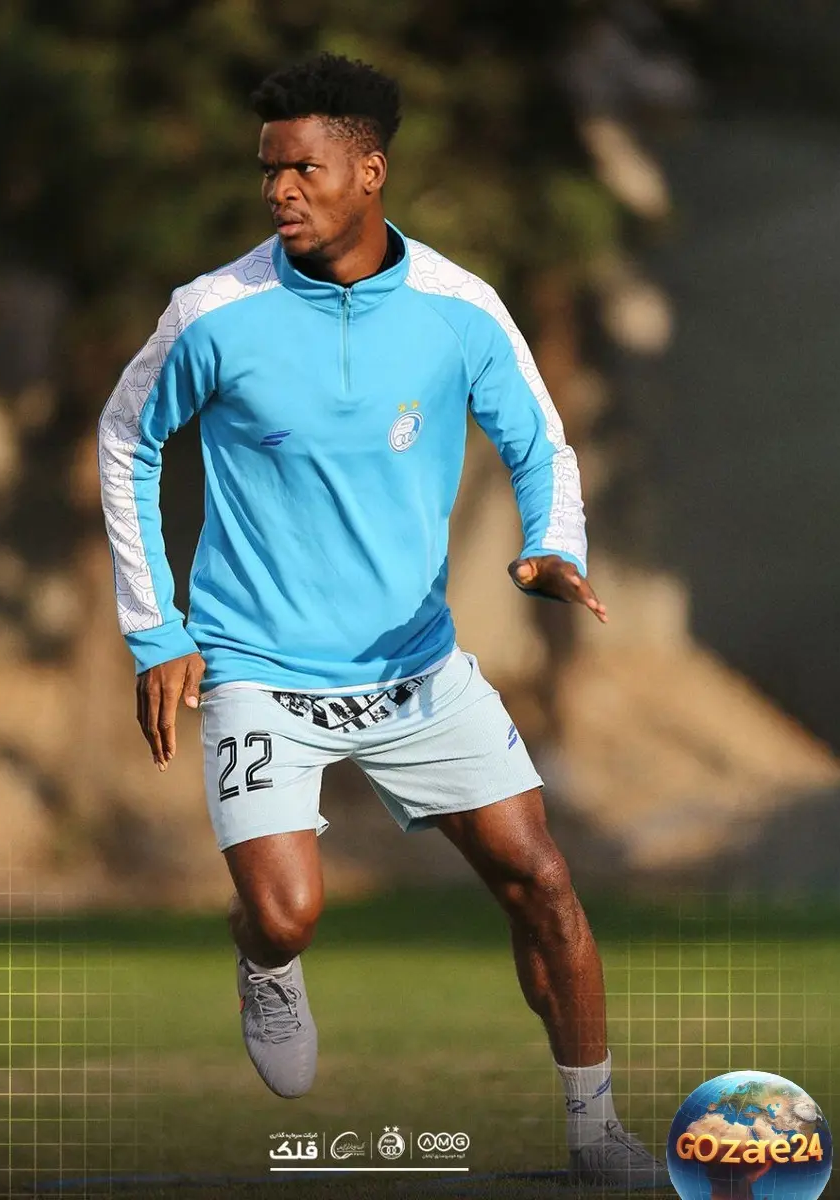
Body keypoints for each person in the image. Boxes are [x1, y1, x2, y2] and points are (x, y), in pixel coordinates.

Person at [97, 52, 668, 1188]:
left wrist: (556, 545)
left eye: (303, 170)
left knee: (544, 882)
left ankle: (596, 1130)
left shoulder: (460, 308)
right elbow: (125, 439)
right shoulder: (213, 312)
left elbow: (540, 441)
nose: (279, 191)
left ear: (371, 171)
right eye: (269, 171)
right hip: (258, 666)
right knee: (289, 915)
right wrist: (158, 632)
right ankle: (264, 959)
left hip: (418, 669)